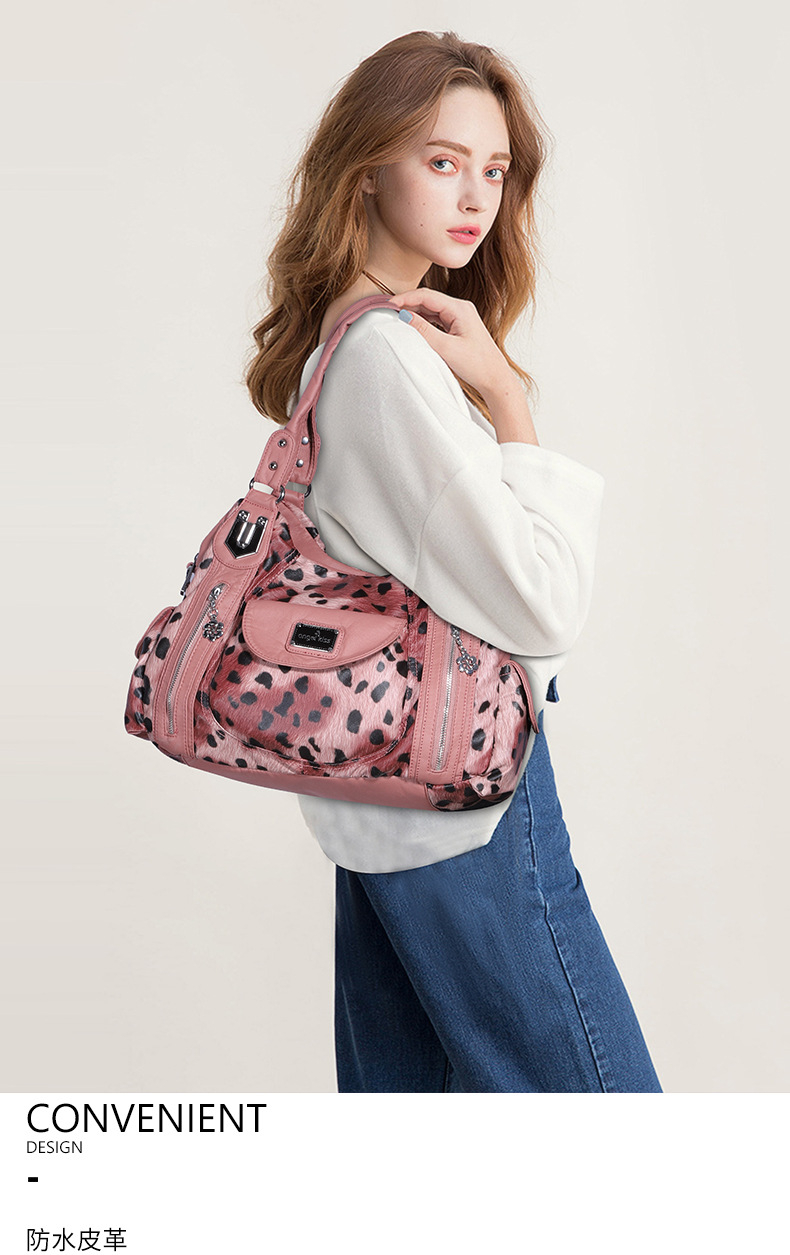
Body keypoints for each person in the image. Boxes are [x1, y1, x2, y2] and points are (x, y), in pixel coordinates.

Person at [245, 30, 662, 1092]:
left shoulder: (346, 341)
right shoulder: (386, 359)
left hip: (378, 803)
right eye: (442, 161)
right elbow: (542, 602)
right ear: (366, 166)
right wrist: (509, 401)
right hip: (462, 798)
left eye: (495, 169)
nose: (475, 196)